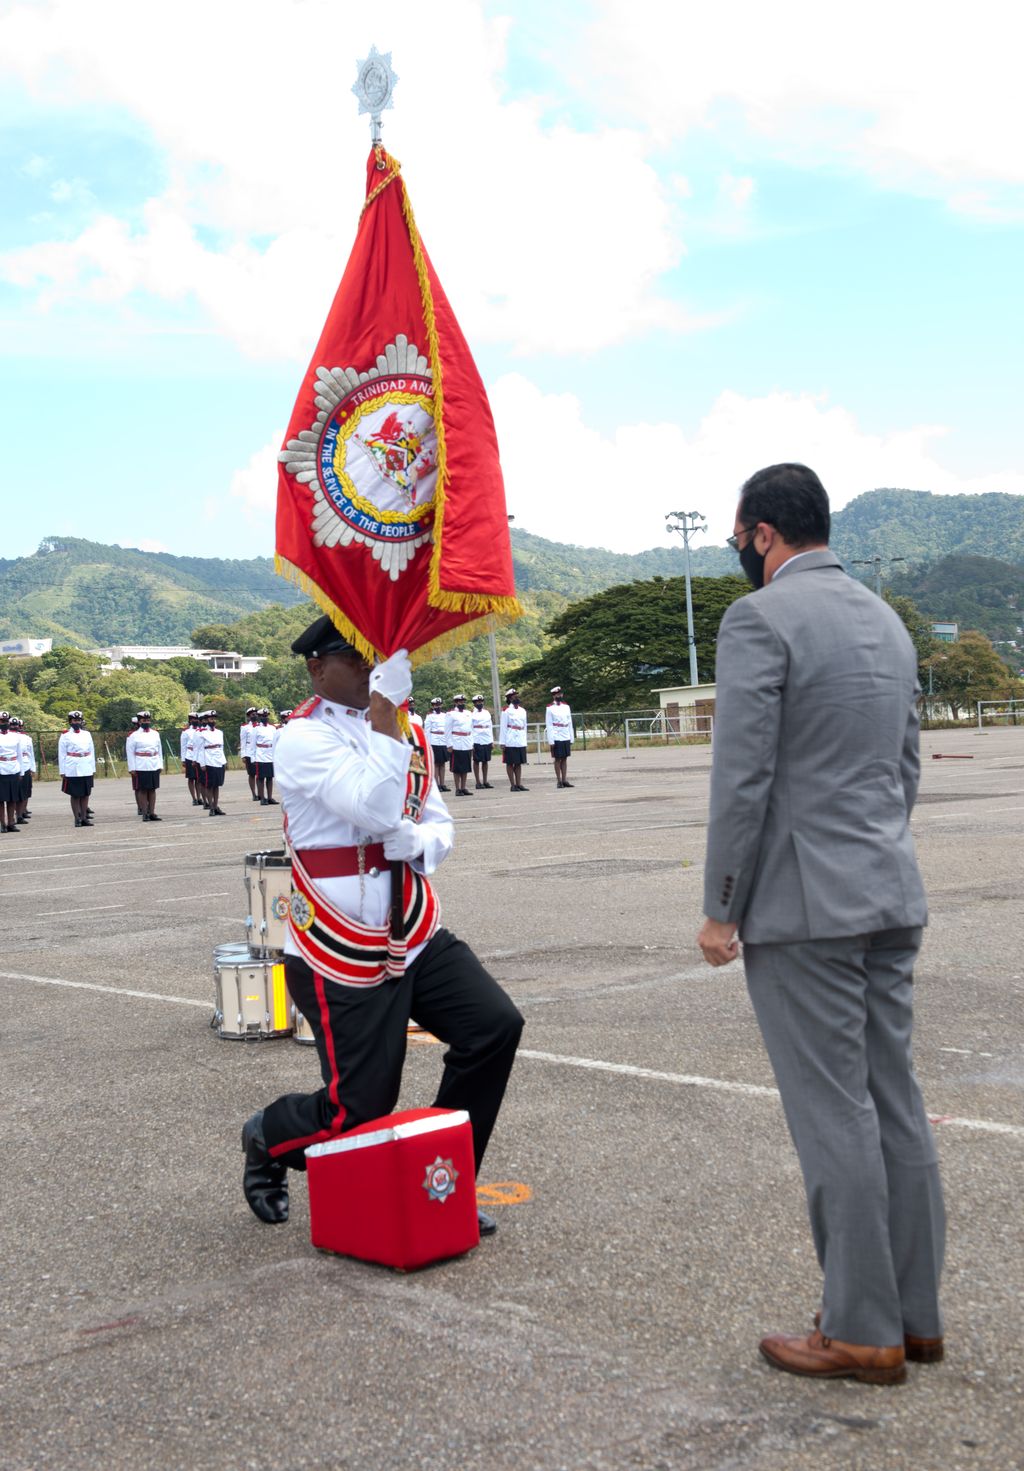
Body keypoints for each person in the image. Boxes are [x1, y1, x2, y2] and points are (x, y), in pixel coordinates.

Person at [696, 463, 943, 1387]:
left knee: (832, 1112)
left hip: (806, 907)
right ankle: (915, 1317)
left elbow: (744, 776)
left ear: (761, 533)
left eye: (739, 538)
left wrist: (724, 904)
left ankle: (861, 1327)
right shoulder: (885, 618)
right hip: (887, 889)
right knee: (895, 1103)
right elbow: (904, 765)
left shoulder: (758, 619)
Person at [239, 615, 524, 1237]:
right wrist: (387, 712)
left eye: (377, 653)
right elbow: (370, 803)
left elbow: (439, 821)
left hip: (413, 925)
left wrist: (417, 837)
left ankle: (441, 1180)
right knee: (357, 1108)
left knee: (494, 1027)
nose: (371, 665)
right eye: (354, 654)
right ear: (317, 666)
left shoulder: (406, 730)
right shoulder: (302, 738)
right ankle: (269, 1136)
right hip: (339, 942)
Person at [58, 711, 97, 827]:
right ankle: (77, 818)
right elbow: (62, 754)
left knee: (86, 794)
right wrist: (62, 771)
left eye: (79, 720)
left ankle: (84, 817)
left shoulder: (87, 734)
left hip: (86, 765)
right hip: (72, 766)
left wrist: (92, 768)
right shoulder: (65, 735)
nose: (77, 722)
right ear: (70, 721)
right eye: (75, 720)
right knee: (75, 794)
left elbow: (92, 751)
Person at [126, 710, 165, 821]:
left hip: (153, 763)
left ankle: (152, 812)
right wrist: (132, 768)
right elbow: (130, 752)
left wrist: (160, 764)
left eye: (148, 720)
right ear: (139, 721)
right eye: (144, 720)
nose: (146, 722)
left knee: (152, 789)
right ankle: (144, 813)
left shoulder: (155, 733)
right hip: (141, 764)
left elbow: (159, 750)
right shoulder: (134, 736)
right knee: (143, 790)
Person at [196, 711, 227, 816]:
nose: (213, 721)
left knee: (217, 785)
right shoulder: (202, 732)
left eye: (214, 719)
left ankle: (215, 805)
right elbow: (200, 749)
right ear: (206, 720)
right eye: (210, 719)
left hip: (219, 760)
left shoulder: (219, 732)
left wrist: (224, 761)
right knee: (209, 785)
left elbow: (221, 747)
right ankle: (211, 807)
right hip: (209, 760)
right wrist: (202, 763)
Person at [545, 685, 576, 788]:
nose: (560, 695)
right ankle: (559, 780)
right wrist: (551, 740)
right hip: (556, 735)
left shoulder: (566, 706)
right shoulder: (550, 708)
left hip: (565, 734)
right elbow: (549, 725)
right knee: (557, 759)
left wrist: (571, 737)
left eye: (561, 694)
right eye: (557, 694)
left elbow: (570, 722)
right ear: (554, 696)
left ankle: (564, 779)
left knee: (565, 758)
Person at [498, 688, 528, 792]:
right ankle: (512, 784)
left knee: (519, 763)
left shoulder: (522, 710)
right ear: (510, 698)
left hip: (520, 739)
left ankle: (519, 783)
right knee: (510, 763)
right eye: (514, 696)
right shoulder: (506, 711)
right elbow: (503, 727)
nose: (516, 697)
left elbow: (525, 726)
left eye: (517, 696)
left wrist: (525, 740)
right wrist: (502, 742)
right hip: (510, 739)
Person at [445, 692, 474, 797]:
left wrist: (472, 743)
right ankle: (457, 789)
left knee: (465, 767)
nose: (462, 703)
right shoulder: (451, 714)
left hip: (467, 742)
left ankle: (463, 787)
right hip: (456, 743)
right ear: (455, 703)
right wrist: (449, 744)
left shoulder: (468, 713)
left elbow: (471, 728)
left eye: (463, 701)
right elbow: (447, 730)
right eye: (460, 701)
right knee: (457, 768)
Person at [253, 708, 280, 806]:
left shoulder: (272, 728)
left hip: (270, 754)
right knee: (261, 777)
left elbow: (275, 742)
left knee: (270, 777)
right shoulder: (256, 729)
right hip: (260, 754)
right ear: (259, 717)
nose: (265, 718)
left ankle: (269, 797)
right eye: (263, 716)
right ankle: (262, 798)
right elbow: (252, 744)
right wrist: (253, 758)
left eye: (266, 716)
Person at [10, 717, 35, 824]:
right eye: (14, 725)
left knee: (24, 792)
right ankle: (13, 816)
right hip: (10, 767)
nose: (16, 727)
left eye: (18, 726)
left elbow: (31, 754)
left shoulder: (26, 738)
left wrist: (32, 768)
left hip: (25, 766)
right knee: (13, 794)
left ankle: (20, 815)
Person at [0, 712, 21, 834]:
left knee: (12, 799)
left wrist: (21, 771)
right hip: (0, 769)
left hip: (13, 768)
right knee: (1, 800)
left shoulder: (15, 736)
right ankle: (2, 824)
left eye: (6, 721)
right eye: (2, 721)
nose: (5, 724)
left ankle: (11, 823)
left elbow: (19, 755)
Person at [423, 697, 451, 792]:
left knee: (442, 764)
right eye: (436, 705)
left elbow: (447, 729)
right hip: (434, 741)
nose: (438, 706)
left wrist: (448, 742)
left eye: (439, 705)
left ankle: (442, 784)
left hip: (443, 741)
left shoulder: (445, 715)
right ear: (433, 706)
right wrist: (428, 744)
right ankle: (436, 784)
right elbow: (427, 731)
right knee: (436, 764)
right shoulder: (430, 716)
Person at [470, 695, 494, 789]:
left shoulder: (487, 712)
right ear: (474, 703)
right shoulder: (472, 714)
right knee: (476, 761)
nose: (480, 703)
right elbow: (470, 728)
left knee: (485, 761)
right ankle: (478, 782)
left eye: (481, 702)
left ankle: (485, 781)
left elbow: (490, 726)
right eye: (478, 702)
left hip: (486, 738)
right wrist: (471, 742)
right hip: (477, 738)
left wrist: (491, 740)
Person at [182, 713, 202, 806]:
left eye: (197, 719)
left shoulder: (201, 730)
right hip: (189, 756)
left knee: (198, 779)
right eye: (194, 719)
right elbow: (183, 747)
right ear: (190, 721)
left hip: (198, 756)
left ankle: (199, 798)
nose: (196, 721)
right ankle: (193, 798)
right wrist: (183, 760)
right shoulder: (186, 732)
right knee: (191, 778)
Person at [240, 707, 259, 801]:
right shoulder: (245, 727)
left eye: (256, 713)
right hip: (249, 752)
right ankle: (254, 794)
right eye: (252, 714)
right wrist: (243, 755)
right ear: (248, 716)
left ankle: (261, 793)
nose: (254, 715)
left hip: (259, 752)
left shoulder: (260, 726)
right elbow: (242, 741)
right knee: (252, 774)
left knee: (260, 774)